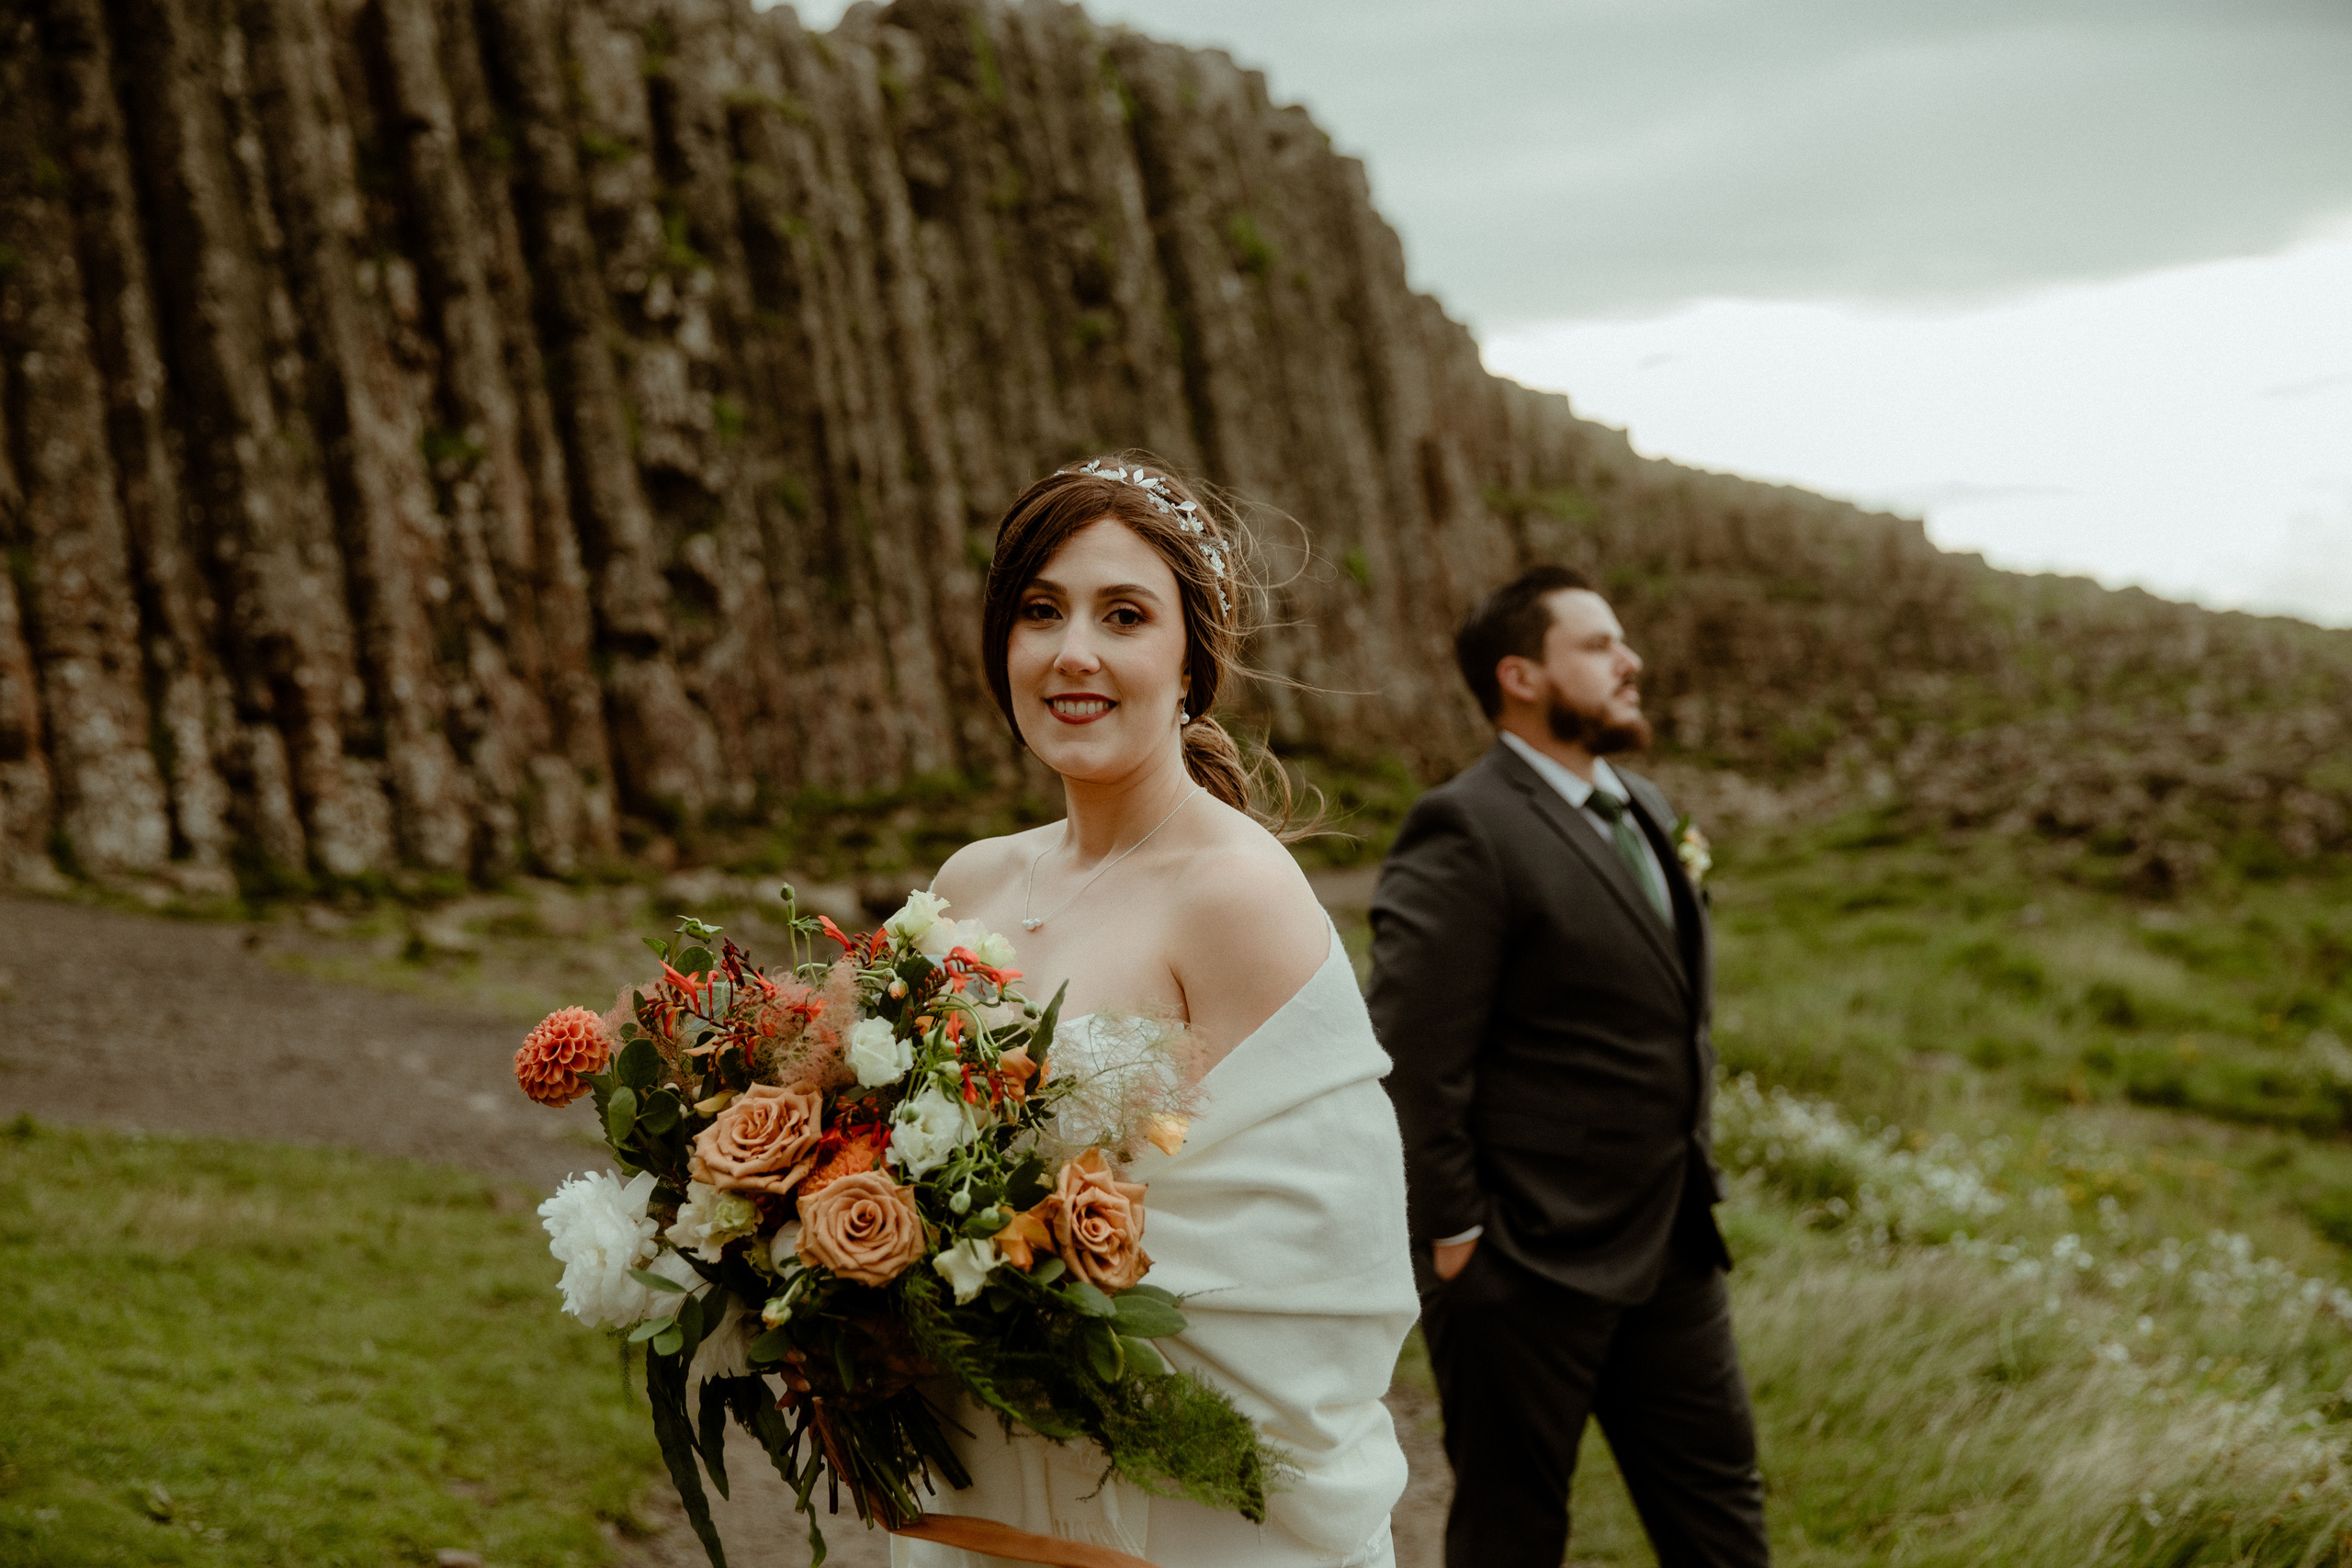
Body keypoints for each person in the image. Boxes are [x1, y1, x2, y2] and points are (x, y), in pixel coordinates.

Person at [898, 456, 1419, 1568]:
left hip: (1174, 1516)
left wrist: (1001, 1280)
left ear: (1192, 661)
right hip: (982, 1497)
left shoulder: (1233, 892)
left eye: (1123, 614)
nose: (1072, 651)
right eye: (1040, 611)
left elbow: (1322, 1264)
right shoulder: (970, 883)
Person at [1367, 565, 1770, 1568]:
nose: (1628, 661)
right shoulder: (1463, 825)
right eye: (1596, 645)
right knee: (1513, 1533)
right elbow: (1413, 1055)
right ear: (1520, 676)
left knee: (1722, 1524)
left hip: (1672, 1242)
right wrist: (1457, 1237)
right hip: (1525, 1262)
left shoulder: (1644, 806)